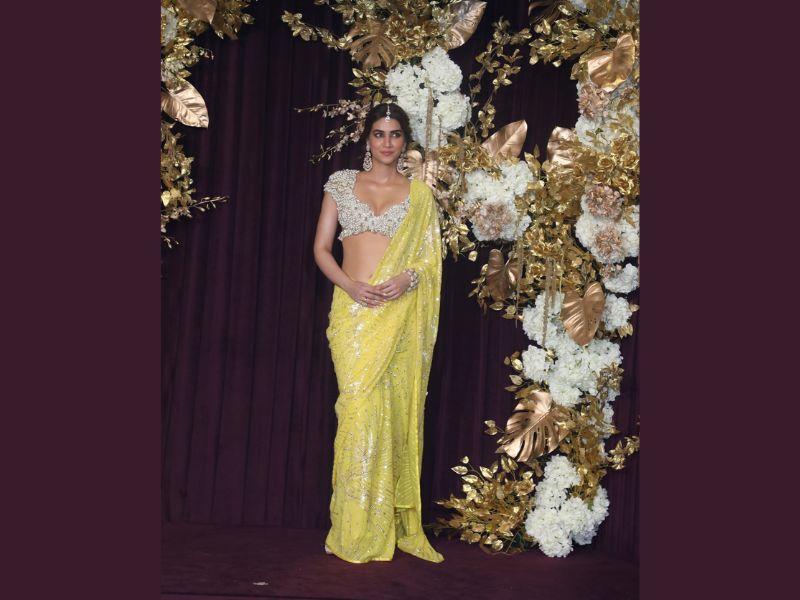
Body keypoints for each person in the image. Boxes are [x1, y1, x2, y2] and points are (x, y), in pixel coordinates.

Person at [312, 102, 444, 563]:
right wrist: (350, 286)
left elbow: (429, 260)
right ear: (367, 139)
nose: (387, 143)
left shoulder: (419, 196)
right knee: (356, 411)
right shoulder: (341, 184)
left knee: (389, 415)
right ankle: (352, 525)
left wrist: (408, 278)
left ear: (405, 141)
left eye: (395, 135)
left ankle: (380, 522)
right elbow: (321, 249)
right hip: (352, 314)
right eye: (379, 134)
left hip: (398, 314)